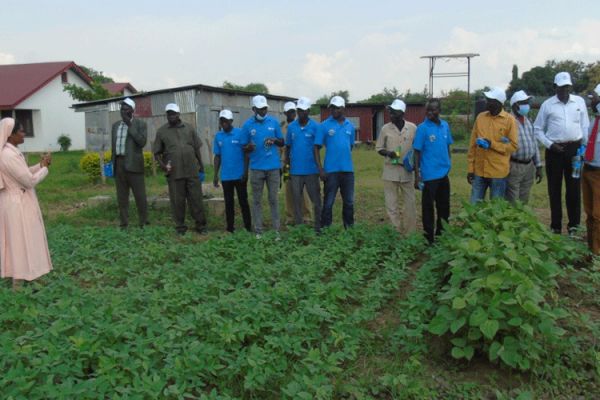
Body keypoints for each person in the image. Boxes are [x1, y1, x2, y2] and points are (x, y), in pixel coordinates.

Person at [534, 72, 590, 234]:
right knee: (554, 188)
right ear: (555, 87)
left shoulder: (579, 102)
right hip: (554, 151)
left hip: (574, 151)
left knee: (574, 188)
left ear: (570, 87)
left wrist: (583, 149)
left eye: (567, 87)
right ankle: (555, 226)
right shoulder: (547, 105)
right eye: (561, 87)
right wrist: (550, 145)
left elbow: (584, 126)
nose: (565, 90)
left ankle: (574, 226)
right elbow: (537, 130)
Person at [0, 118, 52, 290]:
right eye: (21, 131)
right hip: (17, 204)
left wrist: (40, 165)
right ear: (11, 134)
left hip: (18, 201)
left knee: (24, 238)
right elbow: (28, 181)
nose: (24, 134)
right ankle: (18, 281)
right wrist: (44, 169)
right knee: (19, 241)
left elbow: (23, 173)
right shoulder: (7, 155)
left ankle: (26, 275)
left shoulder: (12, 151)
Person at [153, 103, 207, 235]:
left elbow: (196, 149)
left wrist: (201, 166)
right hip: (174, 173)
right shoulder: (161, 131)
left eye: (173, 113)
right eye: (168, 113)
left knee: (196, 199)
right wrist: (164, 166)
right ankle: (180, 227)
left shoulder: (189, 128)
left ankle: (200, 226)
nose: (171, 116)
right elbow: (156, 153)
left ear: (178, 114)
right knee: (177, 201)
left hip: (192, 170)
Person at [241, 95, 284, 238]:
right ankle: (258, 230)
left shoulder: (274, 122)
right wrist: (249, 147)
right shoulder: (247, 125)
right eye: (260, 109)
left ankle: (276, 230)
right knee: (257, 200)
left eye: (265, 108)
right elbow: (243, 147)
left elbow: (282, 142)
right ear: (253, 109)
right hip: (256, 168)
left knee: (273, 199)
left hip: (273, 168)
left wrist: (275, 139)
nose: (263, 112)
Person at [467, 87, 518, 202]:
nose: (487, 102)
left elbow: (513, 146)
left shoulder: (509, 120)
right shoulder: (480, 118)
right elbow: (472, 145)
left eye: (489, 100)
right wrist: (471, 168)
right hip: (480, 171)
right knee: (474, 205)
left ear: (498, 103)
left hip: (498, 173)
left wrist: (492, 145)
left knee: (496, 208)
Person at [413, 99, 453, 243]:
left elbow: (448, 146)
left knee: (444, 207)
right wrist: (417, 176)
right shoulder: (422, 128)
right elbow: (416, 152)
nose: (430, 112)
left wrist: (448, 162)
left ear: (439, 110)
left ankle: (441, 235)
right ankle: (428, 238)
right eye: (428, 110)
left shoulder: (445, 126)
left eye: (433, 110)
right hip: (429, 175)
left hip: (443, 174)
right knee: (428, 208)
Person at [375, 99, 417, 234]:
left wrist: (416, 167)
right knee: (391, 205)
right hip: (390, 170)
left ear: (402, 112)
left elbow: (417, 149)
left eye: (395, 112)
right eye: (390, 112)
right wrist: (388, 153)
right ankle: (396, 232)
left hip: (407, 171)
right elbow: (379, 148)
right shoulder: (385, 129)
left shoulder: (412, 128)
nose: (391, 115)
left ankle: (410, 234)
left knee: (409, 205)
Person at [314, 95, 356, 229]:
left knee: (349, 202)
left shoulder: (350, 126)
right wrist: (320, 169)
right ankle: (326, 230)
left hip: (348, 171)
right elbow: (316, 147)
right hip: (330, 171)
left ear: (343, 108)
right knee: (328, 202)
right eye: (332, 108)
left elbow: (350, 146)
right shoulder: (324, 125)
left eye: (337, 108)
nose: (333, 110)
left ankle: (349, 229)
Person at [285, 97, 322, 232]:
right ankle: (300, 228)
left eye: (304, 110)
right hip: (295, 171)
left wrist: (319, 168)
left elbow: (318, 148)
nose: (301, 113)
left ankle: (318, 227)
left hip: (311, 171)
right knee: (296, 201)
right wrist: (287, 167)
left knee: (316, 200)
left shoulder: (316, 127)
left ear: (308, 111)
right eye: (299, 110)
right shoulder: (291, 127)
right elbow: (288, 148)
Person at [111, 97, 148, 228]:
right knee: (122, 197)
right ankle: (124, 224)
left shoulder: (140, 124)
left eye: (126, 109)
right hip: (119, 164)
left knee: (140, 196)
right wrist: (113, 165)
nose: (123, 111)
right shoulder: (115, 126)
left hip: (134, 165)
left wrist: (129, 125)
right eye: (121, 109)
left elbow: (142, 142)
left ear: (132, 111)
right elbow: (113, 146)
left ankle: (143, 223)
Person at [212, 109, 252, 233]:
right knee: (229, 203)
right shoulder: (218, 136)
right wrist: (215, 175)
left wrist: (245, 172)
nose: (223, 123)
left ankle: (248, 227)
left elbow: (246, 154)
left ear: (231, 121)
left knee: (243, 201)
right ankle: (230, 229)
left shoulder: (240, 133)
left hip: (240, 175)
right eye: (221, 120)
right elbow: (217, 156)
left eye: (226, 120)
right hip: (226, 177)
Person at [505, 90, 543, 204]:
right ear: (515, 105)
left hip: (529, 166)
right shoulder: (507, 121)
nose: (527, 105)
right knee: (512, 199)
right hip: (514, 165)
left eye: (527, 102)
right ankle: (513, 221)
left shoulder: (527, 120)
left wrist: (539, 166)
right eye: (524, 102)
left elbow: (534, 143)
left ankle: (522, 220)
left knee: (524, 198)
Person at [280, 101, 311, 225]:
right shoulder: (282, 129)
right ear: (285, 113)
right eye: (289, 112)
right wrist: (281, 165)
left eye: (294, 111)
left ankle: (306, 216)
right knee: (289, 191)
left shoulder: (302, 126)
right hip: (287, 164)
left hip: (302, 163)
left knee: (303, 191)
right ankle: (290, 217)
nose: (292, 114)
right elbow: (280, 148)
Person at [582, 84, 600, 254]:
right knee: (589, 213)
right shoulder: (594, 120)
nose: (592, 101)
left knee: (597, 214)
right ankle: (591, 250)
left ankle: (597, 253)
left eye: (594, 98)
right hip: (587, 169)